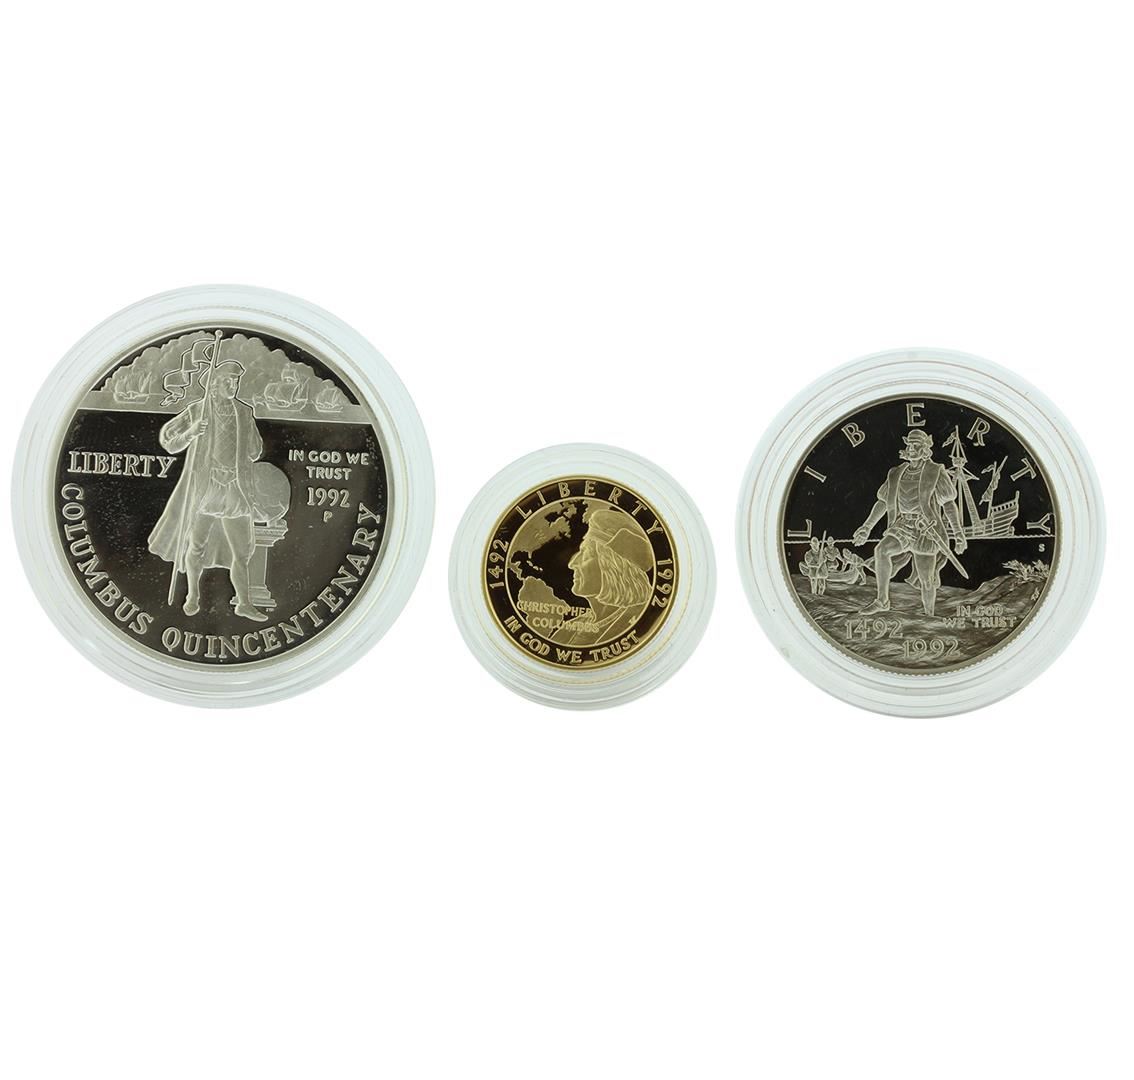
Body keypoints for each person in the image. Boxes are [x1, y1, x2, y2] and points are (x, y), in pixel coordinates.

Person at [147, 359, 268, 622]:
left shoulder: (244, 411)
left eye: (235, 381)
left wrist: (248, 436)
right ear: (214, 384)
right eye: (227, 381)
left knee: (243, 553)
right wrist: (191, 432)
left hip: (236, 489)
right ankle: (193, 595)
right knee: (196, 546)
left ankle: (244, 603)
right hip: (207, 489)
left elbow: (255, 451)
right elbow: (169, 441)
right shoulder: (197, 410)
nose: (233, 385)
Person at [852, 429, 966, 616]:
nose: (911, 449)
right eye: (909, 445)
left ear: (925, 449)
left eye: (915, 445)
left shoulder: (935, 471)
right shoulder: (895, 473)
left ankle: (929, 614)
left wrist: (959, 535)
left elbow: (948, 504)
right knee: (881, 550)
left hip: (927, 529)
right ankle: (882, 601)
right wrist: (866, 527)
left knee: (926, 579)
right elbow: (883, 502)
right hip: (903, 525)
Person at [550, 509, 653, 645]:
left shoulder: (640, 621)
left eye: (586, 554)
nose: (572, 563)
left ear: (612, 566)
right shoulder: (569, 629)